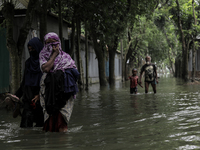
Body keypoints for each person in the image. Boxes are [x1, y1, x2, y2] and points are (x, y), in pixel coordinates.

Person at [39, 32, 79, 132]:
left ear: (58, 43)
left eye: (53, 43)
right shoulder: (43, 55)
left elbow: (75, 73)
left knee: (62, 121)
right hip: (48, 92)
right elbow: (46, 68)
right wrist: (54, 55)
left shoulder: (66, 57)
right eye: (48, 43)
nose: (51, 46)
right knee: (49, 120)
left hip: (64, 92)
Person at [8, 37, 44, 127]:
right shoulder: (28, 63)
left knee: (40, 129)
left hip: (41, 101)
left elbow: (48, 83)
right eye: (29, 49)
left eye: (33, 49)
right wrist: (16, 96)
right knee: (25, 127)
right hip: (28, 99)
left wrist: (41, 94)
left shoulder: (44, 64)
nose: (31, 51)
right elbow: (24, 82)